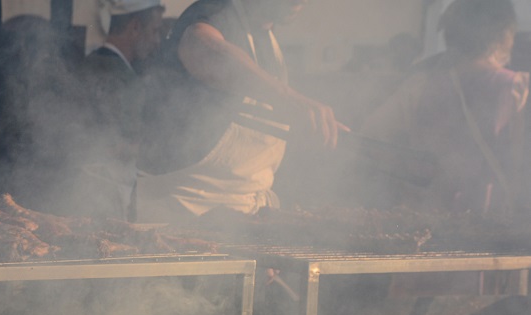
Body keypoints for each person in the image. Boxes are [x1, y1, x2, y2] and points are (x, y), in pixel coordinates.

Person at [135, 0, 343, 223]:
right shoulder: (213, 13)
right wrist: (284, 98)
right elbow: (200, 45)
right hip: (182, 215)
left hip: (246, 215)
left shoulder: (267, 36)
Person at [361, 0, 529, 217]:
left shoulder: (419, 86)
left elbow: (370, 137)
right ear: (505, 35)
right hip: (496, 229)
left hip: (427, 225)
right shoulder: (521, 88)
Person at [68, 0, 165, 220]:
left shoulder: (93, 62)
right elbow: (110, 144)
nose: (157, 41)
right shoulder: (114, 74)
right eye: (155, 31)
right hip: (105, 195)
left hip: (88, 190)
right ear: (135, 27)